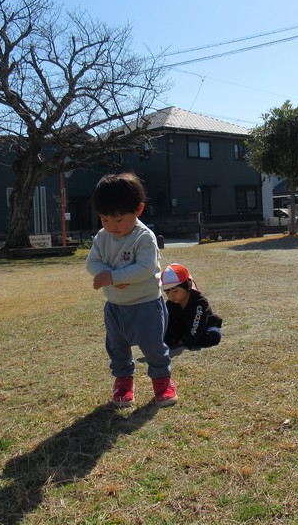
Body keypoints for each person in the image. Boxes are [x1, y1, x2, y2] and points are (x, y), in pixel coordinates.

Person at [86, 172, 178, 408]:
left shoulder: (143, 237)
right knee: (116, 347)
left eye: (118, 220)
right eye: (105, 219)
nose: (112, 226)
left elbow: (145, 268)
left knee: (153, 347)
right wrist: (107, 274)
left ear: (138, 209)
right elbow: (92, 262)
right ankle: (123, 382)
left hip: (145, 304)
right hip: (115, 306)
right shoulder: (102, 237)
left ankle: (163, 382)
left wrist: (114, 276)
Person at [161, 263, 222, 351]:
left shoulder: (199, 302)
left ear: (189, 285)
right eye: (167, 292)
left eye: (175, 291)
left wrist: (187, 342)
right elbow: (168, 324)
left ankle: (188, 341)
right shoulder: (171, 305)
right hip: (184, 329)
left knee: (213, 335)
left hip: (203, 328)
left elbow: (197, 324)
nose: (171, 296)